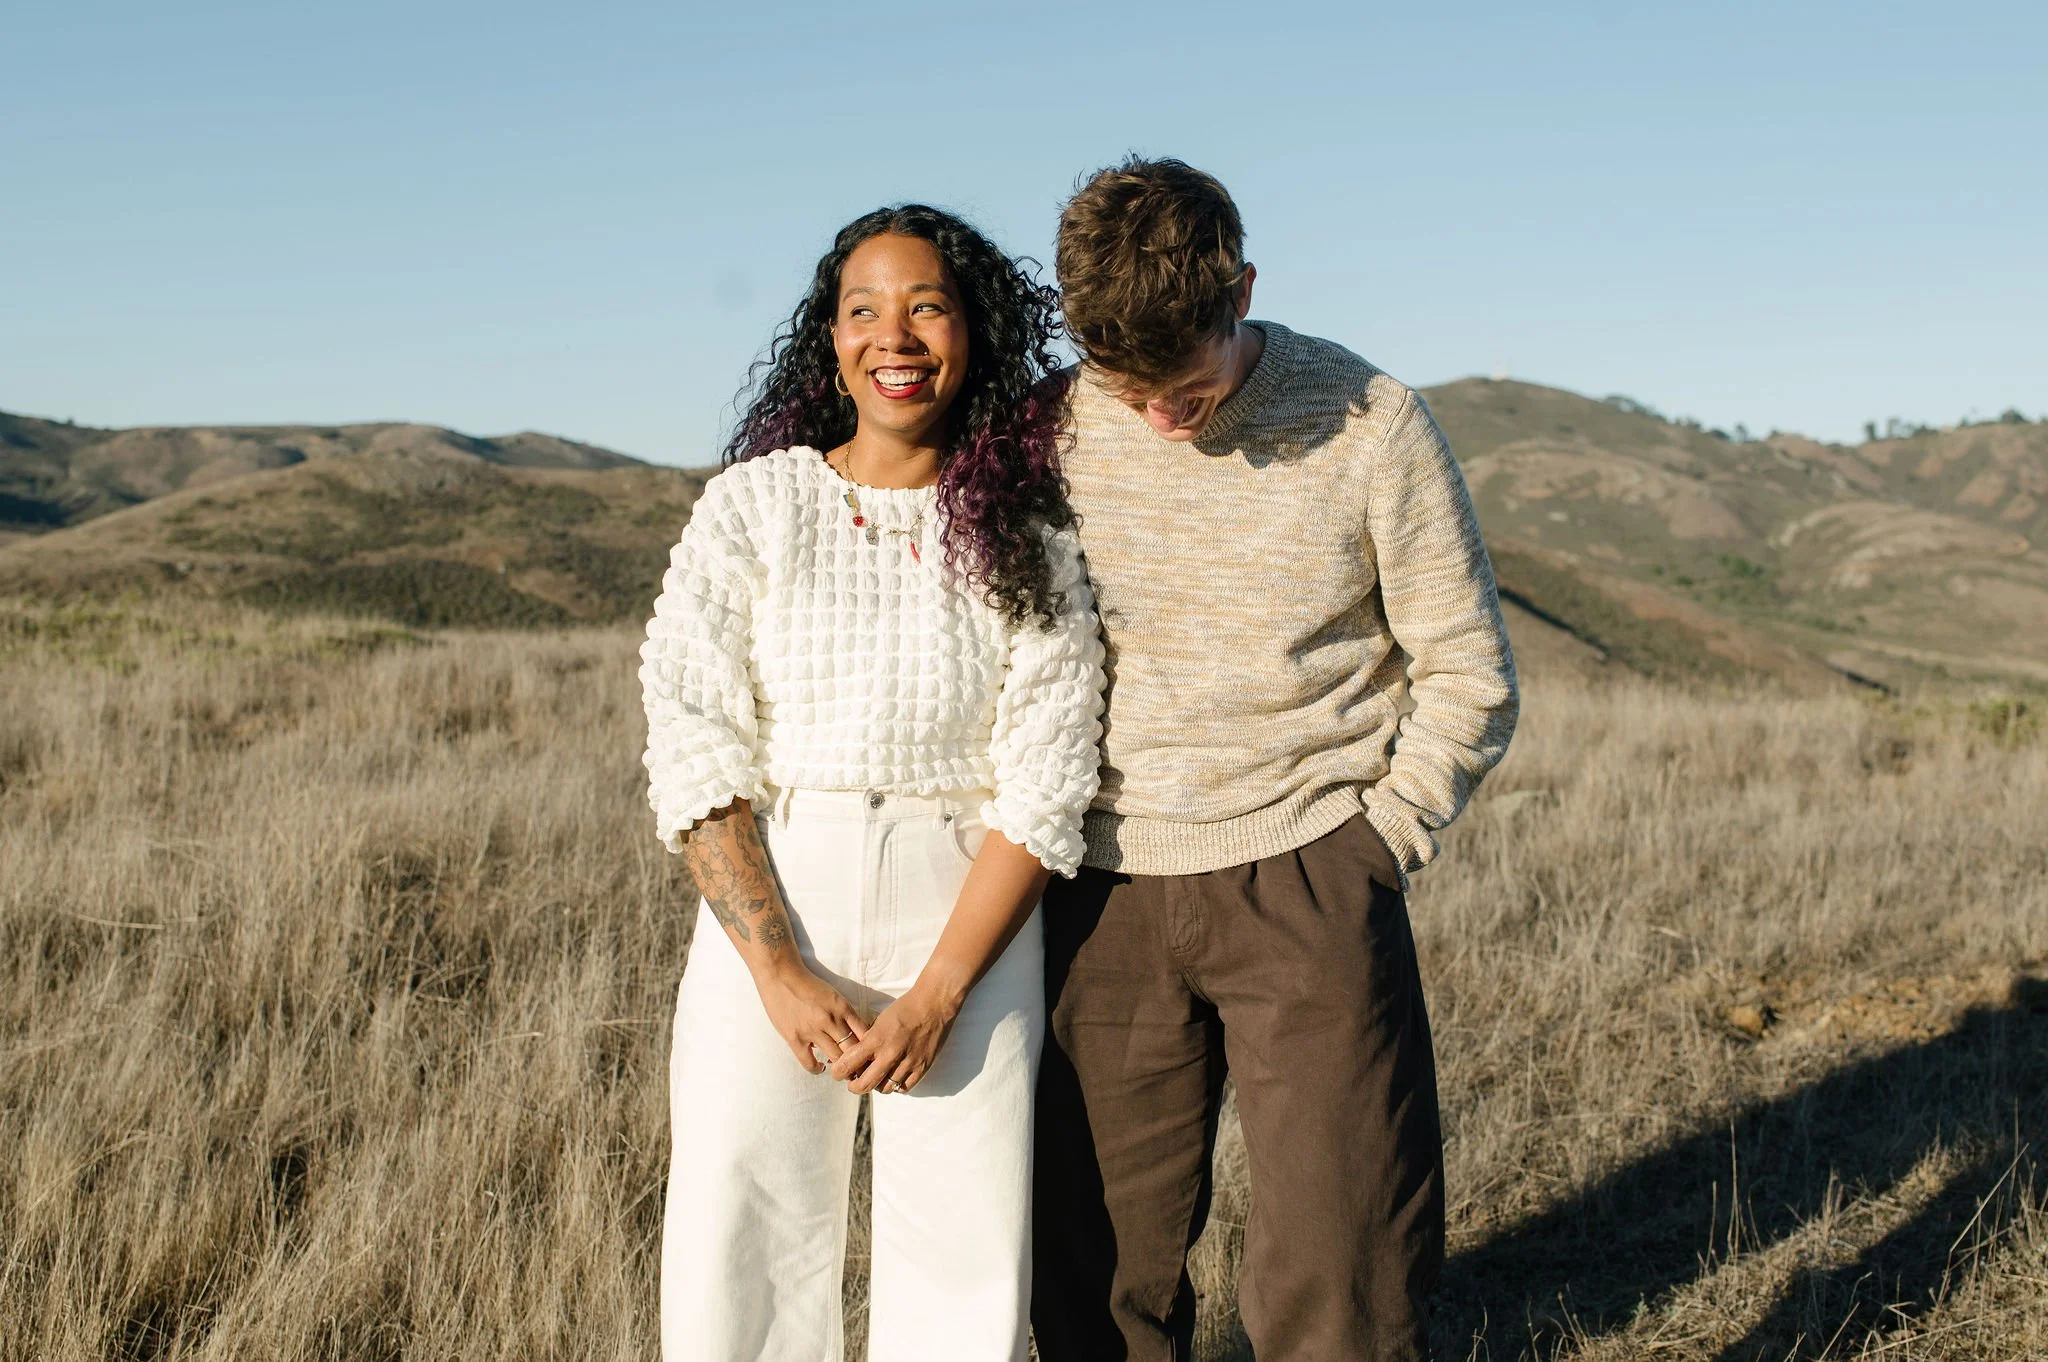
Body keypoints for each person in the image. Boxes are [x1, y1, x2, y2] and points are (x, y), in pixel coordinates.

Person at [1030, 158, 1520, 1362]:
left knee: (1345, 1268)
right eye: (1123, 385)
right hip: (1094, 891)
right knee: (1096, 1272)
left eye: (1182, 385)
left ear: (1242, 289)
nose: (1155, 419)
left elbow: (1466, 666)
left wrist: (1378, 840)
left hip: (1308, 873)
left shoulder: (1370, 421)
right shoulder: (1044, 427)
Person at [640, 204, 1105, 1362]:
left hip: (969, 913)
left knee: (961, 1261)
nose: (893, 335)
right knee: (735, 1243)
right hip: (778, 897)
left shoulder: (1029, 529)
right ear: (830, 340)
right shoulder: (753, 506)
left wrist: (941, 993)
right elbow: (694, 740)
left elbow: (1047, 775)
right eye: (863, 310)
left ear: (973, 333)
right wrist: (776, 966)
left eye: (926, 305)